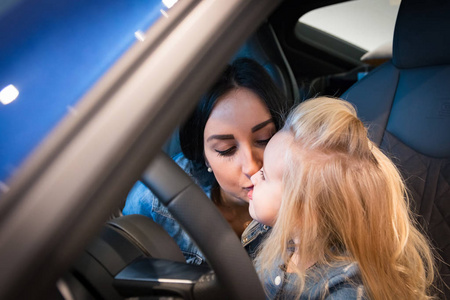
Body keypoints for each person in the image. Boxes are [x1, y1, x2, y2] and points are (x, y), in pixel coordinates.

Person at [249, 97, 437, 299]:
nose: (253, 177)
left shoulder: (345, 290)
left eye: (264, 175)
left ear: (303, 209)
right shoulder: (277, 241)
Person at [123, 58, 289, 265]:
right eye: (226, 150)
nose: (252, 167)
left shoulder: (306, 190)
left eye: (264, 139)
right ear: (203, 156)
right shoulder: (155, 202)